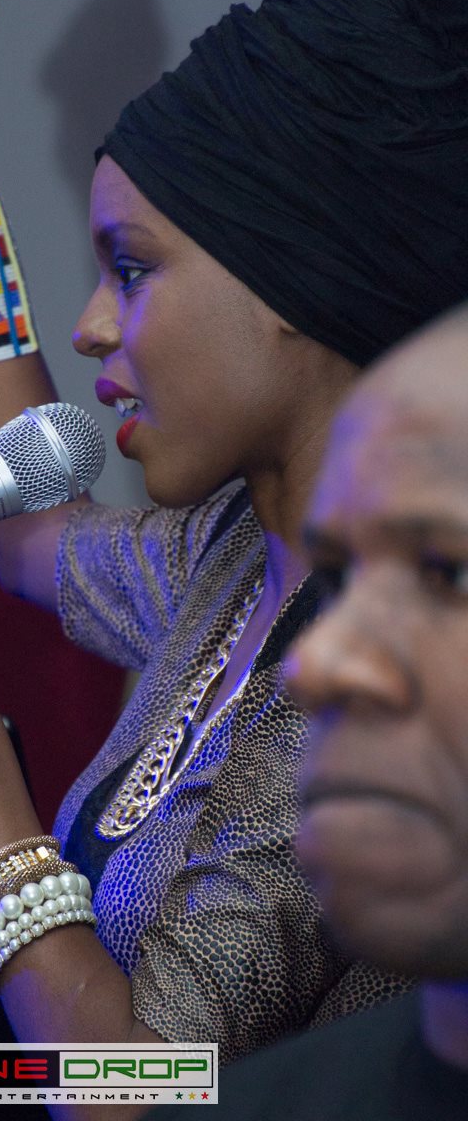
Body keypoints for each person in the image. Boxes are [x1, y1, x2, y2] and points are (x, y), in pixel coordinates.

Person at [0, 0, 468, 1085]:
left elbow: (130, 1093)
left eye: (130, 269)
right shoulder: (233, 556)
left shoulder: (369, 683)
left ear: (289, 280)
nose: (89, 327)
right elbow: (23, 520)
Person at [150, 302, 468, 1119]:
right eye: (336, 581)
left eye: (448, 573)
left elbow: (122, 1086)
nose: (318, 663)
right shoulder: (215, 576)